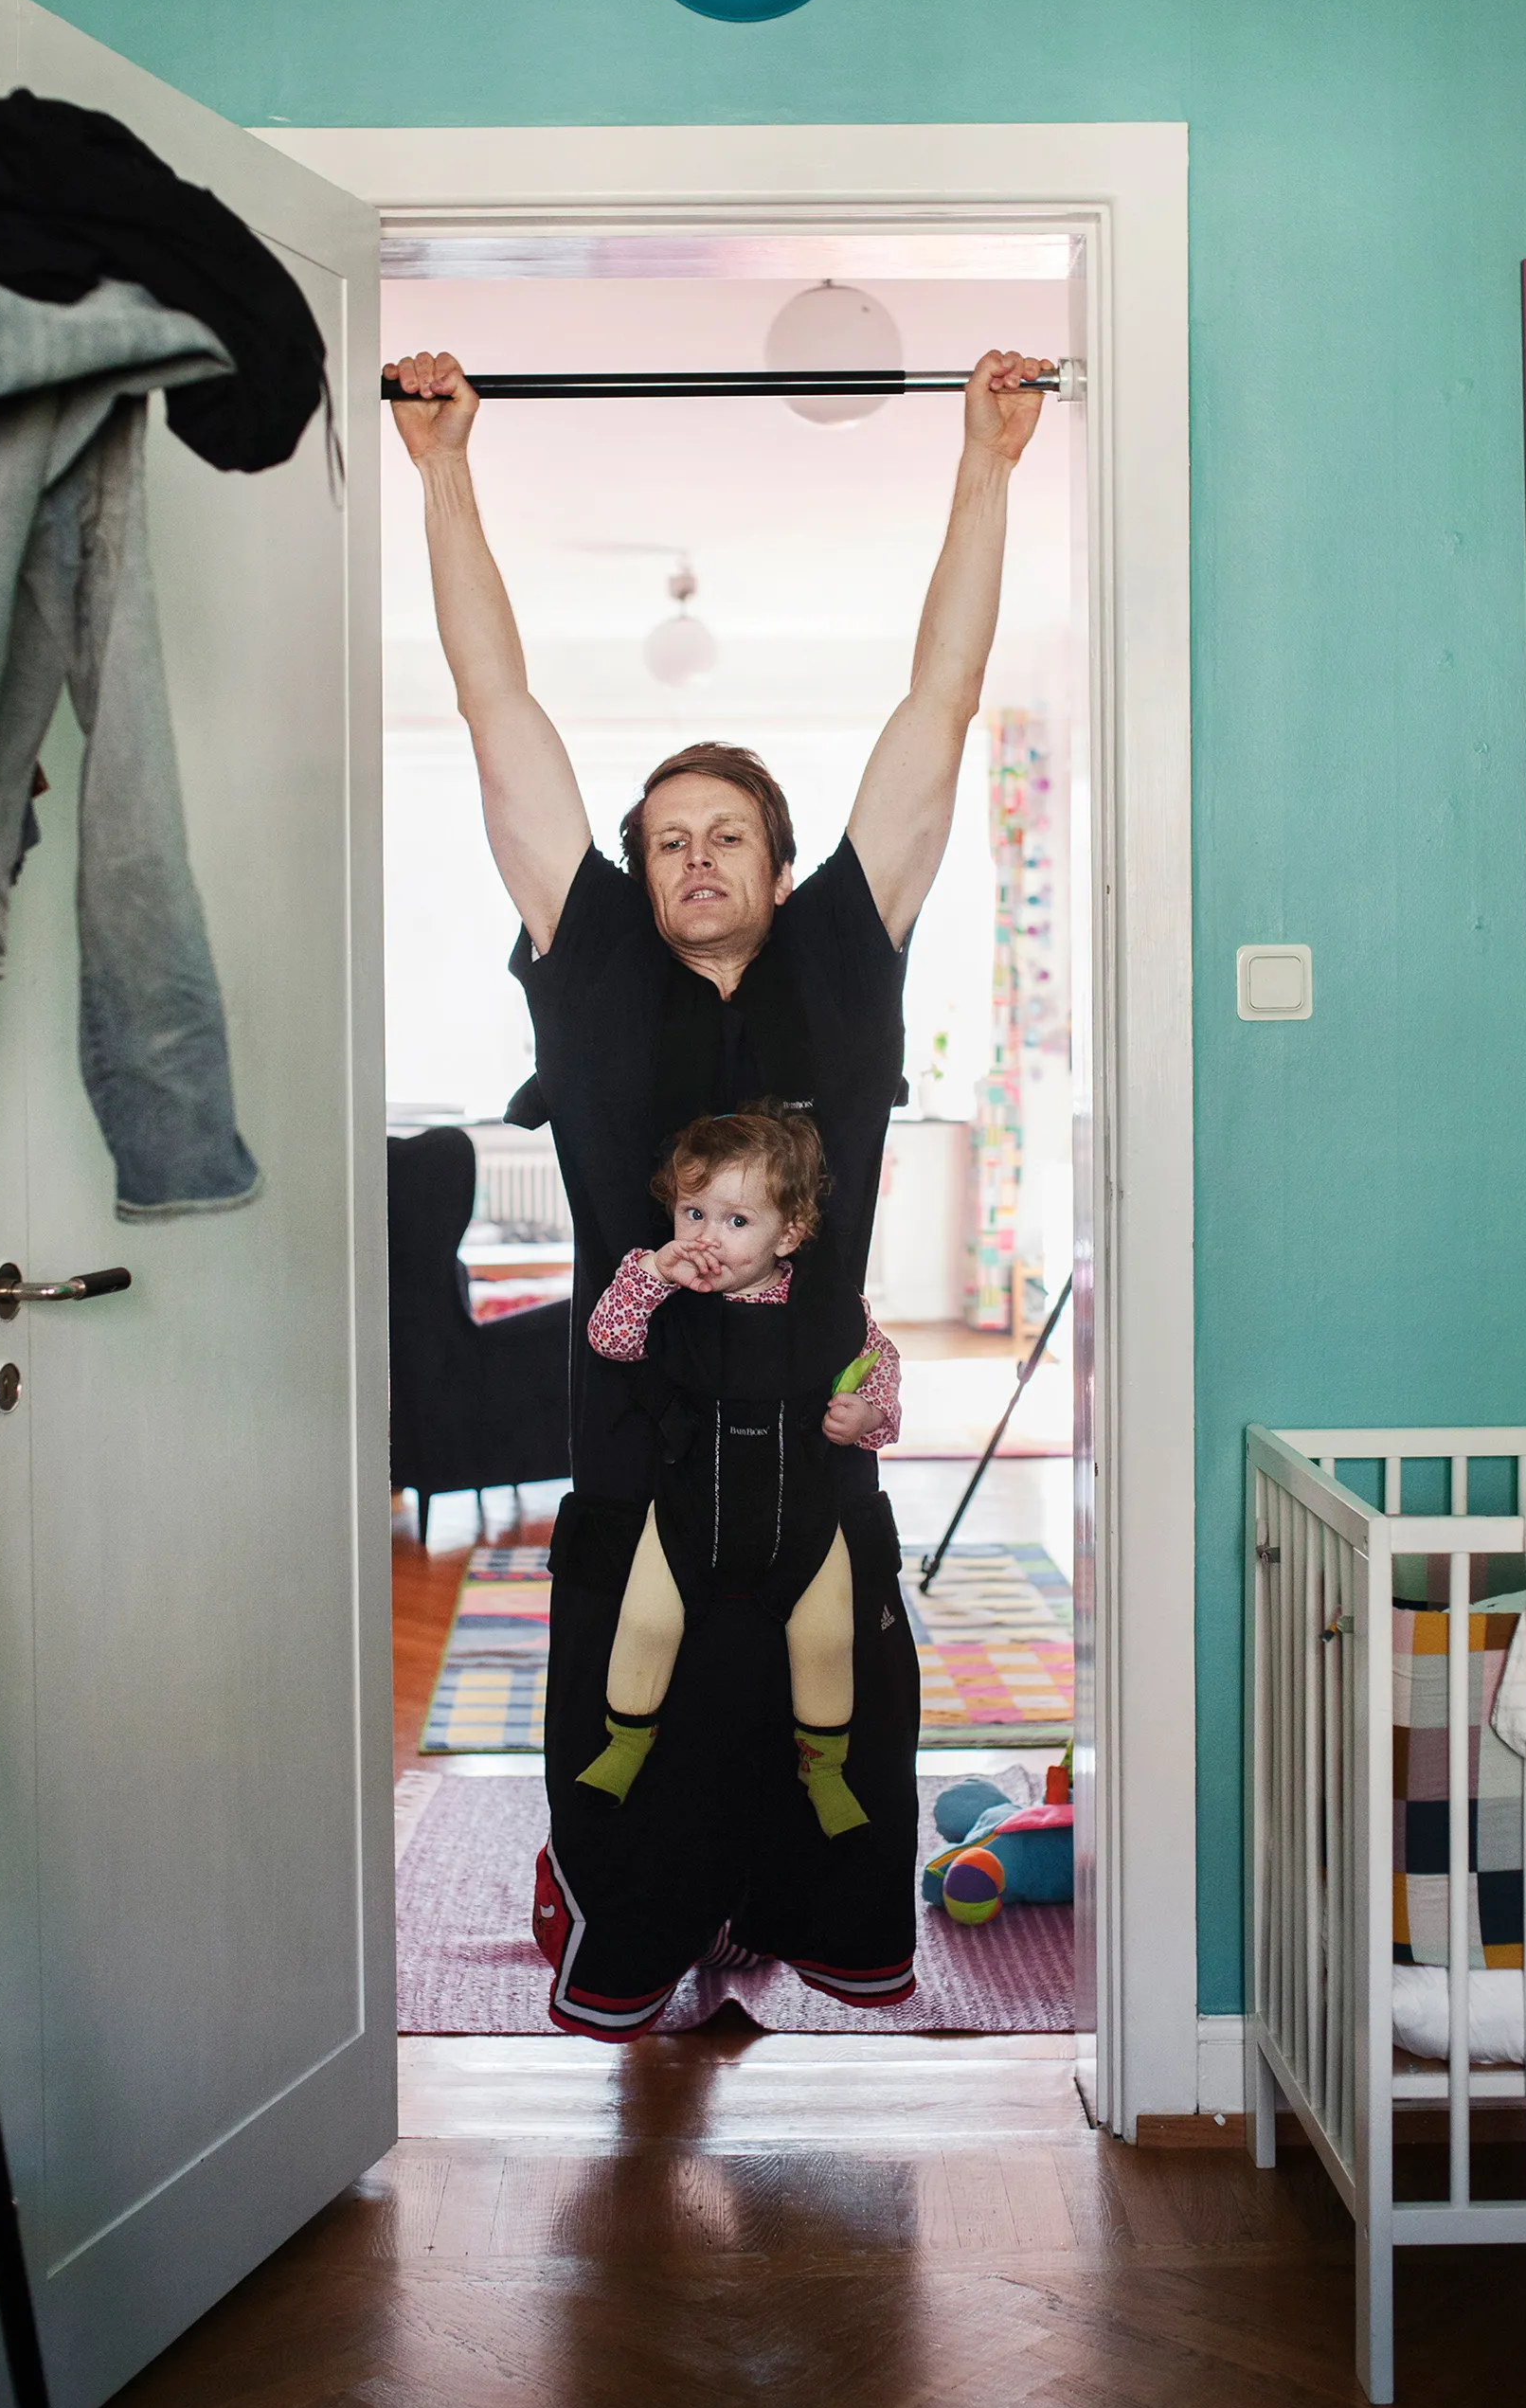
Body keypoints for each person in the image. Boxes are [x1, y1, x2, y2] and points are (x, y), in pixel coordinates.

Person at [387, 342, 1049, 2038]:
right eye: (665, 833)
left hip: (819, 1455)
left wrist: (987, 465)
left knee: (837, 1729)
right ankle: (646, 1938)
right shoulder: (593, 960)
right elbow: (497, 714)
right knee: (641, 1743)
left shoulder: (845, 952)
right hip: (638, 1458)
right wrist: (444, 478)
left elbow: (938, 708)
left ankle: (786, 1928)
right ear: (634, 866)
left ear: (778, 856)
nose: (694, 856)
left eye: (726, 832)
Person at [579, 1104, 902, 1836]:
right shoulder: (663, 1290)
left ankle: (824, 1769)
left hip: (803, 1516)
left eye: (735, 1221)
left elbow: (876, 1363)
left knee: (824, 1641)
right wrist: (654, 1272)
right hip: (690, 1506)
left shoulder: (825, 1307)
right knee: (646, 1620)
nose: (706, 1238)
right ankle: (625, 1744)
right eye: (692, 1212)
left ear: (788, 1234)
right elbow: (609, 1340)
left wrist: (869, 1416)